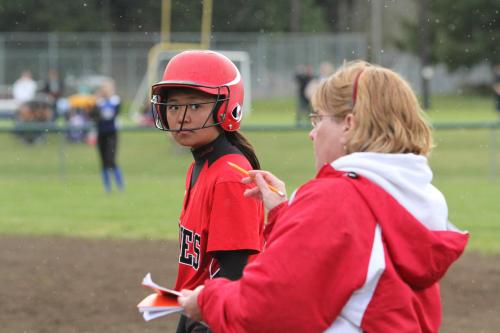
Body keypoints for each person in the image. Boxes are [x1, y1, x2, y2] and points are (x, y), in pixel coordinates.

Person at [178, 60, 469, 333]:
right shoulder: (410, 193)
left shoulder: (337, 199)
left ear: (349, 125)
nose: (312, 134)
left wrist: (205, 301)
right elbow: (356, 257)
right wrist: (284, 213)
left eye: (319, 120)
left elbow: (269, 308)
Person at [150, 50, 265, 333]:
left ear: (227, 107)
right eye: (174, 106)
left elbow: (236, 268)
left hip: (218, 316)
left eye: (195, 105)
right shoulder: (201, 166)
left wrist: (202, 321)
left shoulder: (229, 174)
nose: (181, 117)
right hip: (199, 308)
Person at [92, 79, 124, 192]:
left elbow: (111, 115)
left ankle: (120, 186)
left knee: (111, 160)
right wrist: (95, 103)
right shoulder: (98, 102)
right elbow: (94, 116)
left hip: (112, 133)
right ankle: (107, 188)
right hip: (101, 133)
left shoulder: (115, 101)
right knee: (103, 161)